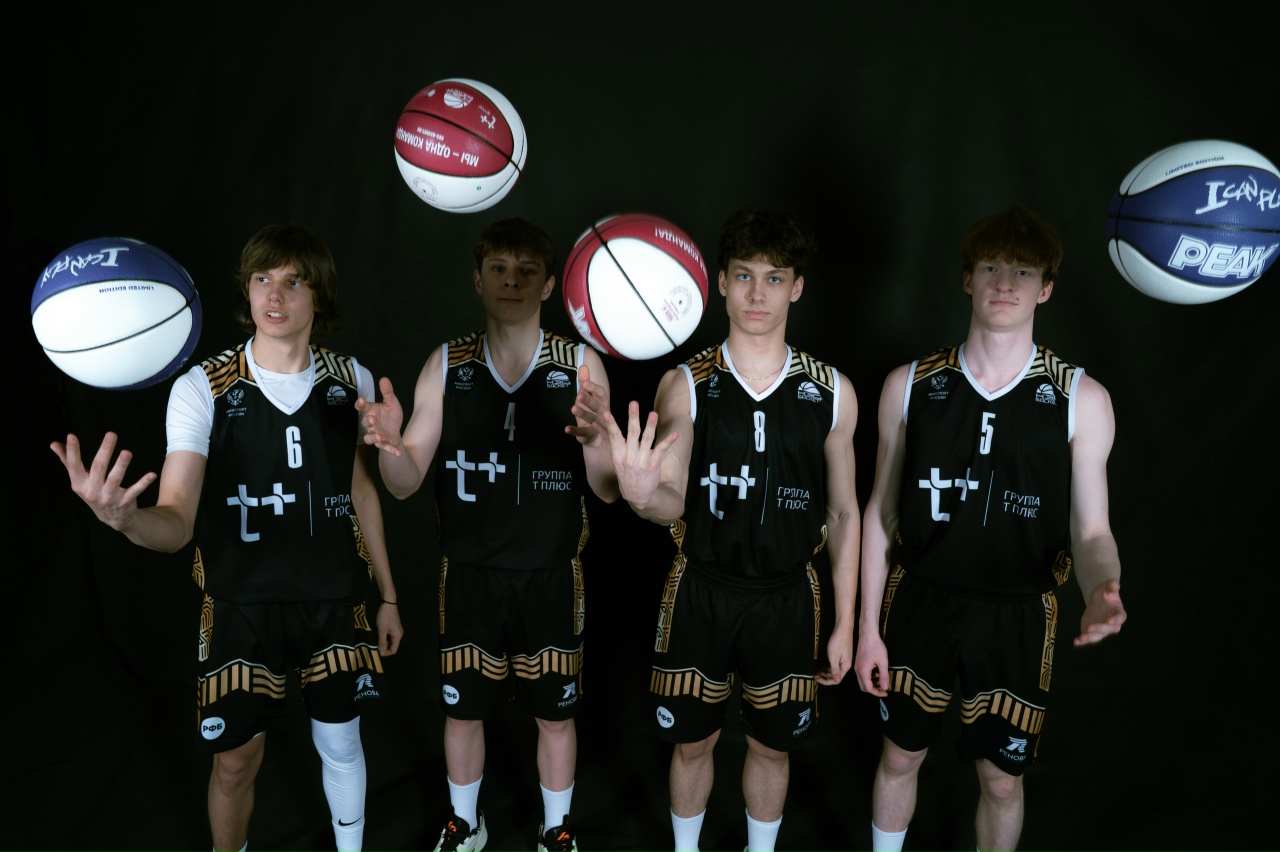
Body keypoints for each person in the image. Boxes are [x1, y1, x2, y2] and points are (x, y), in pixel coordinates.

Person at [51, 223, 403, 852]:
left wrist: (389, 595)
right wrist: (125, 519)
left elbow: (362, 491)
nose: (275, 295)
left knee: (341, 743)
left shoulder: (350, 378)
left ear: (319, 295)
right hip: (242, 604)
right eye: (263, 278)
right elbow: (177, 520)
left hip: (332, 599)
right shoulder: (203, 386)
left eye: (294, 281)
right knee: (235, 763)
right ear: (246, 289)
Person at [853, 206, 1128, 852]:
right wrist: (867, 628)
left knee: (1002, 782)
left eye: (1023, 271)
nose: (1005, 282)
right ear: (967, 279)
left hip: (1017, 615)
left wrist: (1103, 589)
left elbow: (1092, 532)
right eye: (991, 267)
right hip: (921, 600)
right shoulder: (908, 385)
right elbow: (879, 514)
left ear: (1046, 288)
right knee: (899, 757)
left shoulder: (1082, 399)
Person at [598, 205, 860, 852]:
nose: (757, 294)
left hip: (787, 596)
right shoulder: (685, 384)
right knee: (694, 743)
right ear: (719, 282)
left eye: (774, 278)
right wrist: (640, 493)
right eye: (743, 275)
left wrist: (847, 622)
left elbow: (844, 513)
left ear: (797, 287)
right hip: (703, 589)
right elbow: (670, 499)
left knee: (772, 748)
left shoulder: (832, 390)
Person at [356, 217, 620, 852]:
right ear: (477, 280)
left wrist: (599, 441)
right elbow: (403, 483)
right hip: (469, 574)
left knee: (555, 716)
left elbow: (608, 490)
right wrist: (391, 446)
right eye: (499, 269)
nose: (512, 281)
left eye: (527, 271)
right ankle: (465, 823)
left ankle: (556, 829)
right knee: (462, 710)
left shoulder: (580, 365)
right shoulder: (447, 363)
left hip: (550, 575)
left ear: (550, 285)